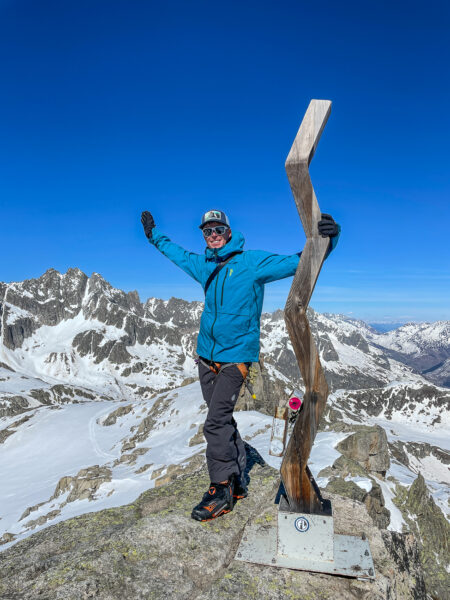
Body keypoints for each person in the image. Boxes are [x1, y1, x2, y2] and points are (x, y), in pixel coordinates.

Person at [141, 209, 340, 521]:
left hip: (236, 358)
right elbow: (175, 253)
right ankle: (235, 477)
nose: (213, 235)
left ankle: (220, 488)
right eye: (208, 231)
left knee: (215, 423)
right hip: (206, 357)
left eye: (219, 229)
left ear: (229, 232)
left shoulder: (251, 263)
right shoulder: (202, 264)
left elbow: (297, 262)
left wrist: (327, 241)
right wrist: (154, 237)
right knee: (220, 419)